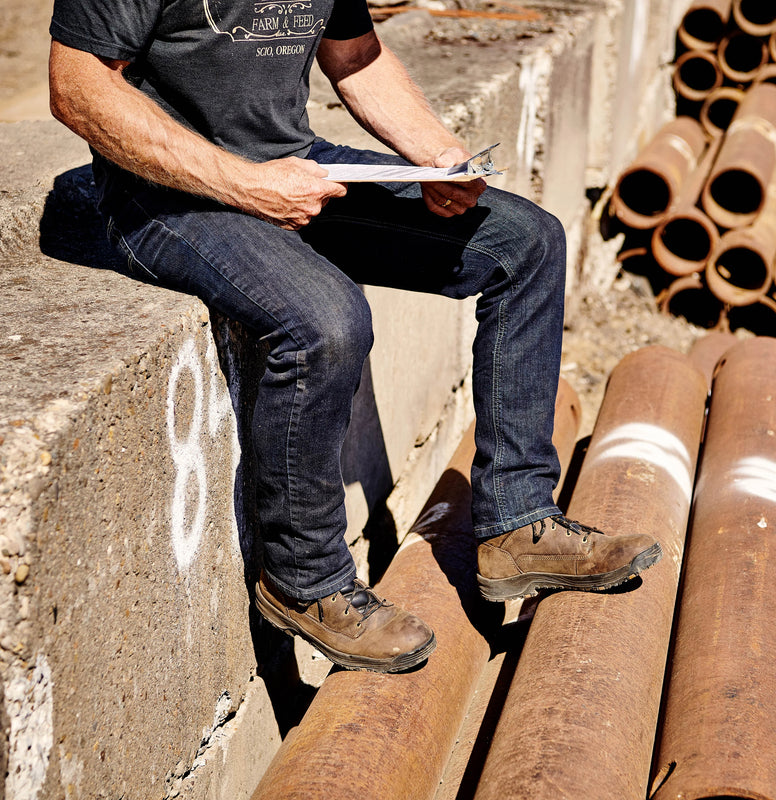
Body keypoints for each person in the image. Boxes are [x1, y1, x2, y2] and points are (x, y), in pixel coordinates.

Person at [48, 0, 662, 675]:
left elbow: (355, 55)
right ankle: (304, 580)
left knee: (526, 244)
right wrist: (246, 185)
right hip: (164, 197)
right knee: (328, 322)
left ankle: (518, 524)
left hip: (290, 165)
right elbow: (78, 86)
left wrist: (436, 154)